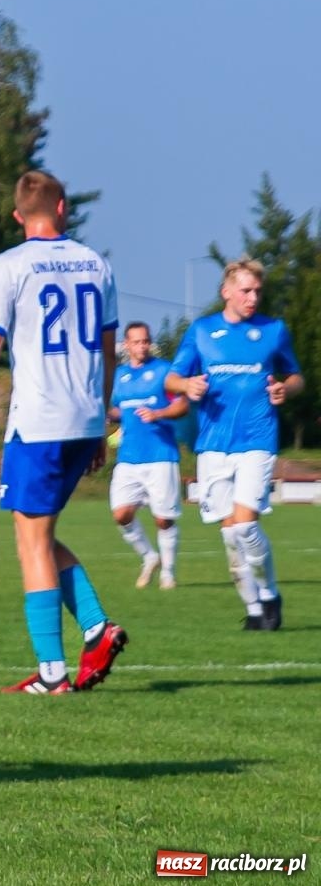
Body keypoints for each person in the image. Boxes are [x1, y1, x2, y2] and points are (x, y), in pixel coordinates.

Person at [0, 170, 127, 695]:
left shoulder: (9, 266)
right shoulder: (97, 264)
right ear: (64, 208)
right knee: (41, 536)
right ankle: (97, 627)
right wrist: (100, 418)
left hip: (39, 421)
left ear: (17, 216)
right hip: (84, 419)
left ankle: (52, 674)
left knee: (30, 543)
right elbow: (109, 348)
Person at [165, 260, 304, 630]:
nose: (253, 297)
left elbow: (296, 378)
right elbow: (172, 378)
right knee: (229, 534)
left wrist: (284, 389)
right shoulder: (202, 331)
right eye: (245, 290)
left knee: (244, 527)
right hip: (212, 445)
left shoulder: (273, 331)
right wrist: (186, 386)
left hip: (257, 440)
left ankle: (271, 594)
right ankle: (254, 609)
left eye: (258, 291)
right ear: (226, 291)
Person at [107, 322, 189, 589]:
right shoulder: (119, 377)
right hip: (128, 457)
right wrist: (106, 416)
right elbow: (120, 410)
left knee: (163, 518)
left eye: (146, 341)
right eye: (137, 342)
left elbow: (182, 405)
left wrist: (158, 414)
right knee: (121, 514)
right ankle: (149, 556)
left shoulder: (165, 372)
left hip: (160, 455)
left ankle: (168, 572)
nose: (142, 346)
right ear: (126, 345)